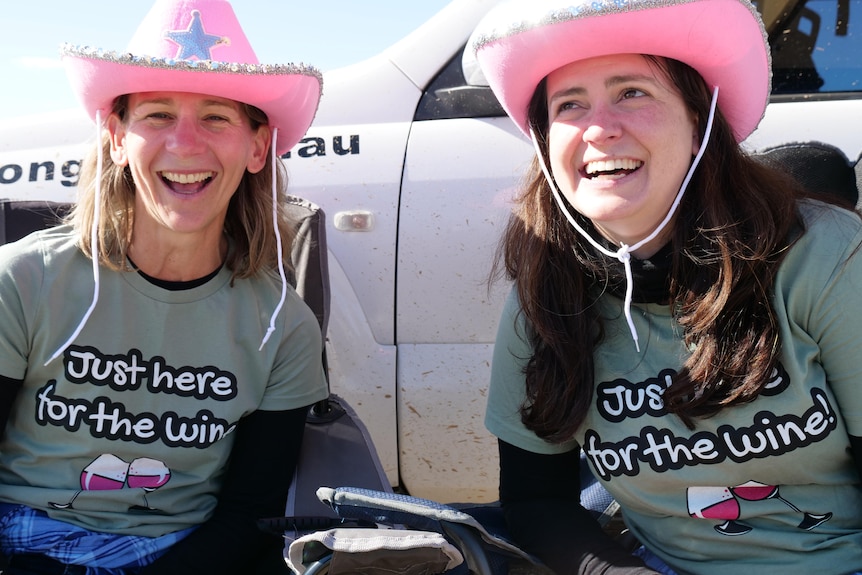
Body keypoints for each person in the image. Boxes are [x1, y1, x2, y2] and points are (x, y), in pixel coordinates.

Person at [471, 0, 862, 573]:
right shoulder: (544, 291)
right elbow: (536, 498)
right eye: (569, 105)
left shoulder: (822, 254)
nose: (600, 127)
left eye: (632, 92)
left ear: (700, 118)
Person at [0, 0, 328, 573]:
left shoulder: (285, 328)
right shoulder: (23, 282)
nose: (185, 143)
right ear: (115, 137)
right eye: (156, 115)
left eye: (217, 117)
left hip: (177, 554)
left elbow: (251, 515)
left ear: (257, 147)